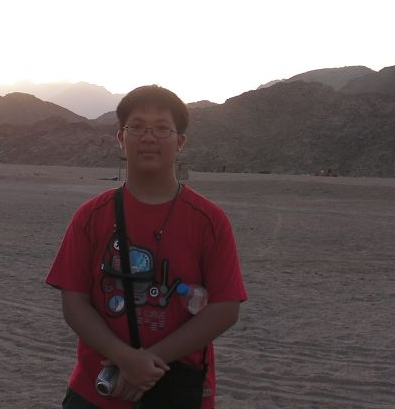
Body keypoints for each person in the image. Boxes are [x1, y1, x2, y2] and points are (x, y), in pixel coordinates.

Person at [46, 85, 247, 408]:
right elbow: (74, 301)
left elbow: (225, 307)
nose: (149, 137)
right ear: (121, 138)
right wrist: (123, 357)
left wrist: (147, 362)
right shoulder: (91, 216)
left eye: (162, 128)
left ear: (179, 141)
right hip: (97, 389)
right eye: (136, 127)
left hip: (178, 388)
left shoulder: (209, 221)